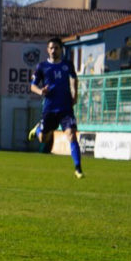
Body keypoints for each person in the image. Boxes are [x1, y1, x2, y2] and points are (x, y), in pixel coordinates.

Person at [30, 37, 84, 179]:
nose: (54, 50)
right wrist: (40, 91)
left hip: (66, 108)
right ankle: (37, 129)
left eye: (56, 48)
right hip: (49, 108)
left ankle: (78, 168)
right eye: (51, 48)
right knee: (43, 139)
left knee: (72, 135)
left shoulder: (67, 65)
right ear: (48, 50)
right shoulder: (42, 66)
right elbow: (32, 85)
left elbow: (73, 78)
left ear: (61, 49)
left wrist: (75, 94)